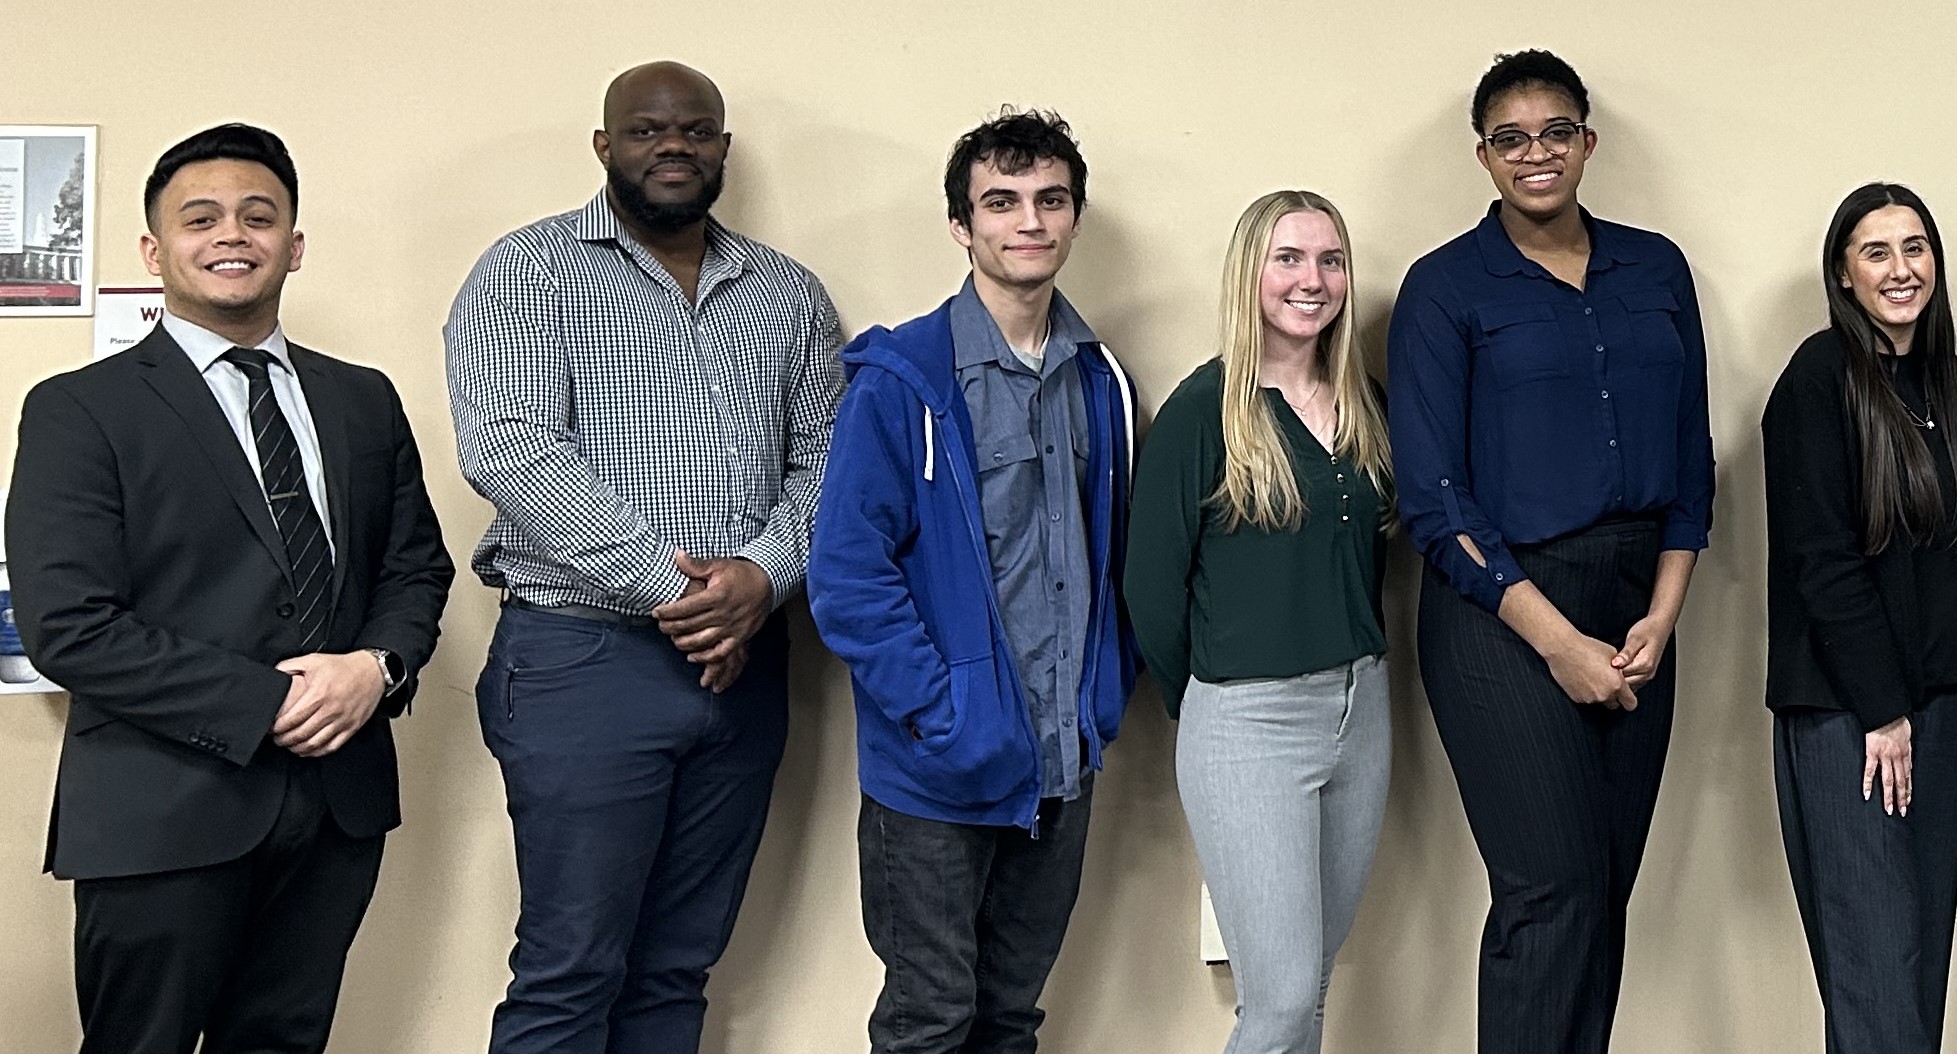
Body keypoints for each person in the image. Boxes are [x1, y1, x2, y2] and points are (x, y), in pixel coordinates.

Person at [7, 123, 454, 1054]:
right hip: (161, 806)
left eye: (259, 216)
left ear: (293, 245)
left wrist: (376, 668)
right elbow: (68, 627)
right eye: (200, 218)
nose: (231, 235)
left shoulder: (361, 398)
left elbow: (416, 565)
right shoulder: (79, 409)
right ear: (154, 249)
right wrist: (271, 704)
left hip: (338, 804)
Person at [445, 60, 846, 1054]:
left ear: (722, 149)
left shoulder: (786, 294)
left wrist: (757, 578)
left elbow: (828, 464)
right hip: (583, 664)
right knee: (570, 969)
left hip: (743, 674)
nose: (673, 145)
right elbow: (512, 449)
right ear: (604, 146)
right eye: (646, 130)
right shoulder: (527, 269)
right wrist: (686, 593)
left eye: (695, 130)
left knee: (676, 971)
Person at [1386, 49, 1714, 1054]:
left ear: (1587, 142)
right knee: (1551, 891)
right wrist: (1558, 640)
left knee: (1603, 891)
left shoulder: (1653, 267)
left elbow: (1690, 461)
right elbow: (1434, 498)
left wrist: (1663, 612)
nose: (1537, 153)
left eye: (1555, 132)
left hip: (1638, 604)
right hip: (1502, 608)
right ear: (1483, 156)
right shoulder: (1444, 289)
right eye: (1511, 138)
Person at [808, 109, 1134, 1054]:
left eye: (1049, 200)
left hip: (1061, 764)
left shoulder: (1100, 378)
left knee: (1010, 1020)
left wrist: (1103, 696)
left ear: (1074, 217)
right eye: (1001, 202)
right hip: (937, 774)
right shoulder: (900, 379)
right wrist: (941, 714)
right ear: (963, 226)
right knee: (928, 1022)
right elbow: (849, 577)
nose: (1028, 221)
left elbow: (1108, 559)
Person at [1125, 189, 1394, 1054]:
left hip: (1363, 709)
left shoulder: (1364, 401)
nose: (1311, 281)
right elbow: (1151, 593)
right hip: (1249, 720)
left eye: (1330, 260)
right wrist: (1215, 705)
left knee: (1308, 985)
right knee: (1276, 1003)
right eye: (1289, 259)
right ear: (1250, 274)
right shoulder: (1204, 411)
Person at [1760, 182, 1957, 1054]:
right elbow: (1822, 564)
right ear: (1843, 273)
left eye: (1915, 248)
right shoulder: (1817, 379)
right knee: (1873, 965)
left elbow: (1950, 546)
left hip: (1939, 699)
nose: (1901, 270)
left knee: (1916, 959)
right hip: (1853, 713)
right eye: (1877, 252)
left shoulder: (1937, 375)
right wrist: (1882, 713)